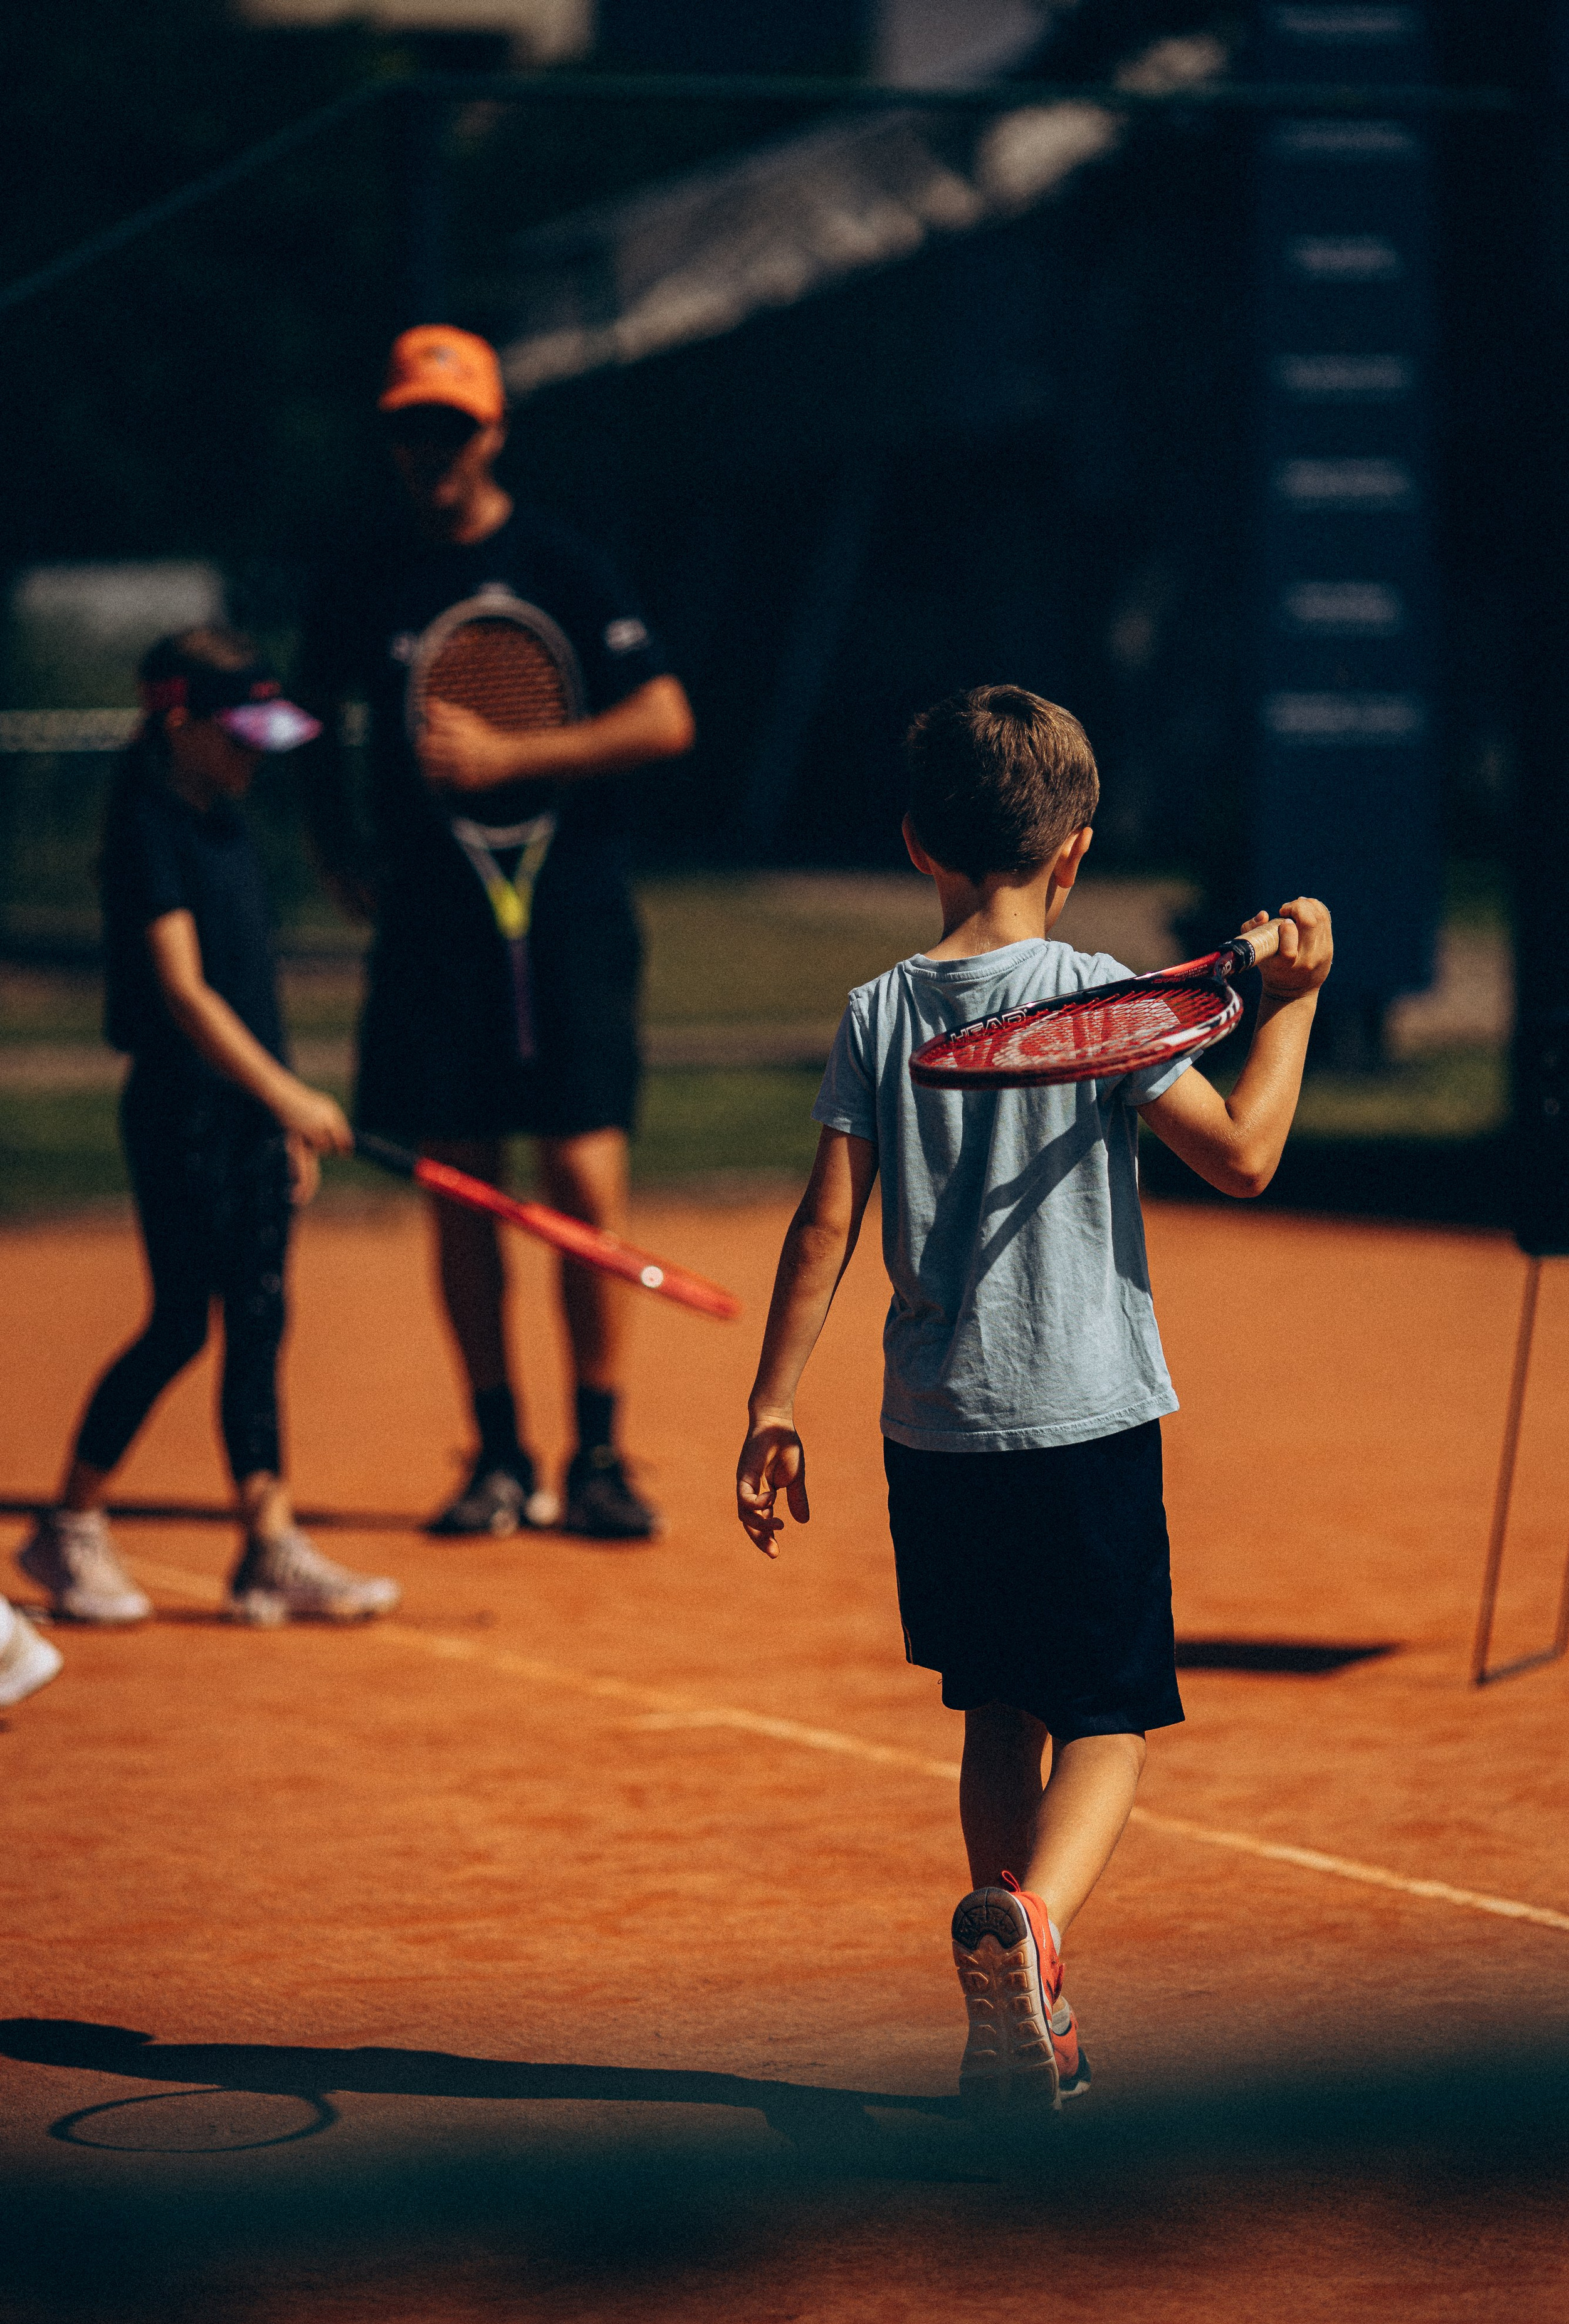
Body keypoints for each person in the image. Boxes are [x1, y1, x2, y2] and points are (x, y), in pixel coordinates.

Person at [736, 686, 1331, 2114]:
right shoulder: (1099, 999)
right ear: (1072, 850)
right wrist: (1290, 1006)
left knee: (994, 1711)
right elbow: (1244, 1154)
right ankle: (1036, 1933)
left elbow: (821, 1226)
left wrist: (771, 1404)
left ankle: (1010, 2014)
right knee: (1109, 1721)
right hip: (1082, 1421)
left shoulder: (875, 1011)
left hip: (936, 1433)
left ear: (912, 843)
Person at [300, 325, 696, 1541]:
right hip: (432, 927)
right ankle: (498, 1454)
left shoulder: (562, 566)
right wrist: (340, 852)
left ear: (493, 430)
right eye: (410, 427)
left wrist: (514, 756)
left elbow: (666, 719)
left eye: (451, 426)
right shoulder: (365, 576)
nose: (431, 449)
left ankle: (596, 1453)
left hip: (567, 913)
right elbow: (315, 727)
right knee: (462, 1188)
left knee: (581, 1178)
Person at [16, 630, 401, 1632]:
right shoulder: (150, 828)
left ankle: (267, 1546)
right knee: (184, 1319)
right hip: (181, 1113)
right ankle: (70, 1524)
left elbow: (250, 994)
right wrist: (287, 1097)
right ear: (176, 720)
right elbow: (184, 994)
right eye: (238, 737)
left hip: (245, 1117)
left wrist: (276, 1120)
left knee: (261, 1320)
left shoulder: (228, 830)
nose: (254, 758)